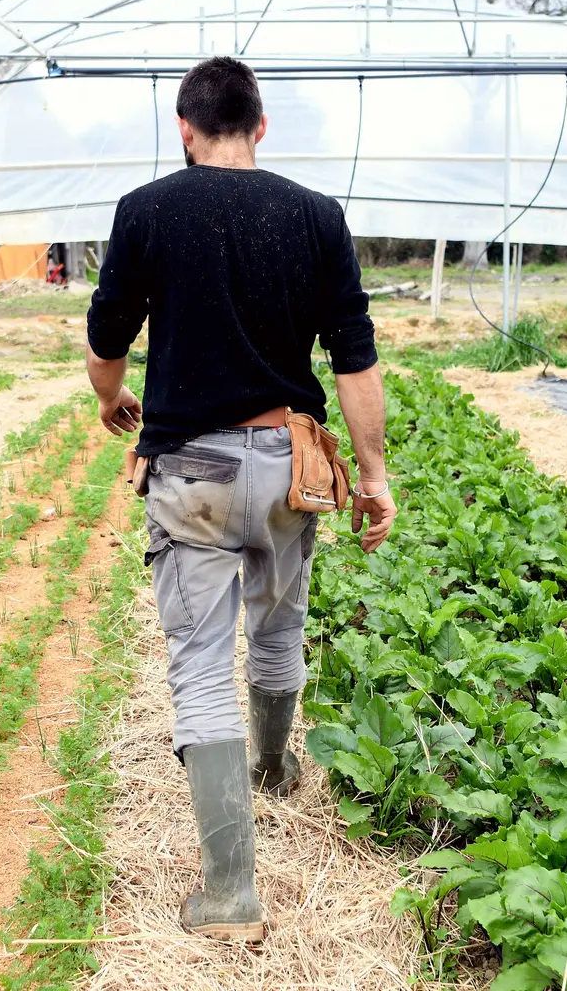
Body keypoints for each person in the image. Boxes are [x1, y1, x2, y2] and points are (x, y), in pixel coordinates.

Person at [83, 56, 397, 943]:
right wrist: (371, 476)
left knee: (198, 666)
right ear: (261, 127)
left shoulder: (147, 211)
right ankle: (274, 767)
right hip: (290, 465)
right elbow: (355, 361)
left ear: (185, 129)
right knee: (279, 626)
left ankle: (228, 895)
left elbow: (107, 341)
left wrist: (110, 400)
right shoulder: (316, 217)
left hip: (194, 475)